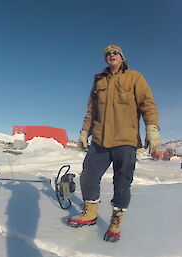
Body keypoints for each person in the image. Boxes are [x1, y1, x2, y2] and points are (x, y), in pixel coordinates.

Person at [67, 44, 161, 242]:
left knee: (122, 183)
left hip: (125, 140)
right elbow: (91, 111)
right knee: (88, 176)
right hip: (100, 140)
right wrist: (85, 132)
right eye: (107, 54)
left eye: (115, 52)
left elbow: (147, 104)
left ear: (122, 57)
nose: (111, 55)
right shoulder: (99, 81)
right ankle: (90, 214)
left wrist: (152, 129)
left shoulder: (134, 77)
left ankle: (115, 223)